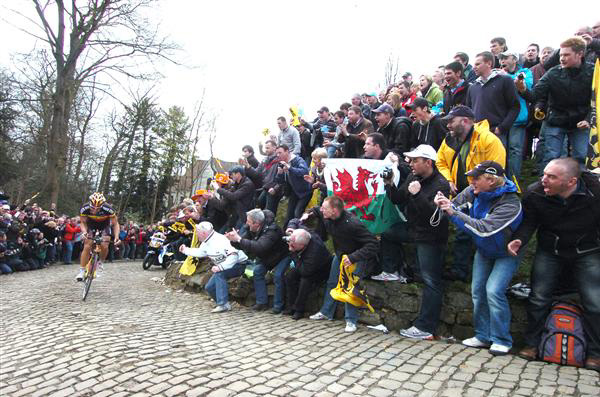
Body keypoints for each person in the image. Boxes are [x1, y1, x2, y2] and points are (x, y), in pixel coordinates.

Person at [507, 158, 600, 371]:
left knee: (595, 301)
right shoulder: (535, 193)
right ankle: (532, 344)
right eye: (544, 174)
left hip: (587, 250)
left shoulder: (595, 192)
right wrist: (519, 239)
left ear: (571, 181)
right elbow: (529, 222)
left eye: (551, 177)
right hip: (550, 250)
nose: (543, 180)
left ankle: (596, 353)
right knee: (538, 297)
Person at [436, 161, 522, 355]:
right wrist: (442, 203)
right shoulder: (473, 190)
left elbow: (484, 229)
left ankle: (501, 339)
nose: (471, 181)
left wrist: (453, 212)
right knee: (478, 291)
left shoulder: (511, 203)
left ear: (491, 180)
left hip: (506, 252)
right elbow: (454, 205)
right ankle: (483, 335)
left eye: (476, 178)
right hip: (484, 250)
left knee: (494, 291)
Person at [380, 145, 450, 340]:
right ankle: (392, 271)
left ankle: (426, 328)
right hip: (413, 230)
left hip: (431, 237)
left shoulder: (441, 184)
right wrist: (389, 184)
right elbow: (397, 198)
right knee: (386, 233)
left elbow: (434, 218)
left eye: (415, 160)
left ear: (428, 162)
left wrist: (418, 195)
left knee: (431, 281)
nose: (410, 163)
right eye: (410, 160)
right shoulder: (413, 177)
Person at [436, 105, 506, 282]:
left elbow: (495, 172)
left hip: (487, 194)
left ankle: (471, 272)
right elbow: (440, 161)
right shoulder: (449, 139)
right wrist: (448, 180)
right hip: (460, 191)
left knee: (476, 229)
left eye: (451, 121)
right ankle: (460, 270)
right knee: (460, 229)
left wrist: (476, 190)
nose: (448, 126)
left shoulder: (488, 140)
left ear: (465, 121)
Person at [305, 196, 379, 333]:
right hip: (340, 255)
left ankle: (351, 320)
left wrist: (353, 257)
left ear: (334, 210)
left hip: (356, 257)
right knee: (332, 282)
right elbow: (317, 210)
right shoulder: (328, 217)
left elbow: (373, 244)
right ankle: (326, 312)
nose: (322, 211)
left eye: (325, 208)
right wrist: (310, 213)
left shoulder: (353, 224)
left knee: (350, 287)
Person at [532, 37, 594, 169]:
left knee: (581, 156)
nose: (562, 58)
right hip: (556, 119)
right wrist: (522, 89)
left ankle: (581, 187)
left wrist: (588, 119)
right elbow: (535, 94)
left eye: (566, 55)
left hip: (581, 121)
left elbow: (597, 100)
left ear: (580, 54)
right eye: (560, 55)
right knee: (552, 157)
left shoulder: (593, 72)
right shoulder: (553, 72)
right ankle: (550, 186)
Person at [226, 209, 291, 313]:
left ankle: (278, 306)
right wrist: (233, 240)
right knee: (257, 272)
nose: (246, 223)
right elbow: (243, 243)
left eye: (249, 221)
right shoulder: (251, 228)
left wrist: (239, 239)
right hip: (267, 257)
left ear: (257, 223)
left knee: (278, 276)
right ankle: (262, 303)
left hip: (283, 256)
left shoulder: (272, 230)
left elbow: (260, 247)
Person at [180, 221, 248, 313]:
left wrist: (221, 267)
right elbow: (201, 252)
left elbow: (234, 256)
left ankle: (222, 304)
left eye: (197, 232)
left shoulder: (220, 240)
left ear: (204, 233)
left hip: (239, 264)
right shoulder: (206, 241)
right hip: (225, 266)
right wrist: (185, 250)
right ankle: (224, 303)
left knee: (220, 273)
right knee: (209, 287)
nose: (196, 234)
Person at [466, 51, 520, 143]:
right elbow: (468, 111)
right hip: (476, 134)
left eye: (478, 64)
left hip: (496, 134)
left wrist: (501, 128)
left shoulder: (505, 80)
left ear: (489, 63)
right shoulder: (472, 87)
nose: (474, 67)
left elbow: (515, 107)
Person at [498, 51, 534, 180]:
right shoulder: (497, 73)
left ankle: (514, 181)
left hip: (518, 118)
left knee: (515, 150)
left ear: (514, 59)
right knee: (500, 150)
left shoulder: (525, 72)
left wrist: (506, 76)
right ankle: (501, 181)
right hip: (501, 119)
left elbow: (526, 87)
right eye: (501, 58)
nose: (502, 60)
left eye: (506, 58)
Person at [284, 228, 332, 320]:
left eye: (293, 244)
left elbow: (305, 272)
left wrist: (293, 253)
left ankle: (299, 310)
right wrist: (292, 229)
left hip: (321, 270)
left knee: (305, 281)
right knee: (290, 276)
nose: (291, 244)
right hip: (305, 264)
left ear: (302, 245)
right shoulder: (308, 235)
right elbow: (301, 225)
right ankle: (291, 306)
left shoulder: (315, 251)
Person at [77, 193, 120, 281]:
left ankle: (100, 262)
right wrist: (84, 232)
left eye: (98, 208)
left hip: (104, 225)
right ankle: (81, 271)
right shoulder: (84, 208)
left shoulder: (108, 209)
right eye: (93, 208)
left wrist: (116, 237)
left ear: (102, 205)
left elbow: (115, 224)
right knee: (87, 245)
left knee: (105, 244)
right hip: (91, 225)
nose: (95, 210)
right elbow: (82, 222)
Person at [274, 144, 311, 227]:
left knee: (297, 213)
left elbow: (304, 172)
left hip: (305, 191)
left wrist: (290, 168)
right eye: (277, 153)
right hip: (294, 192)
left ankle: (300, 233)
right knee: (289, 215)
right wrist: (279, 174)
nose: (278, 155)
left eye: (280, 153)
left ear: (287, 151)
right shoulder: (282, 163)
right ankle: (285, 235)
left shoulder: (298, 160)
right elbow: (280, 181)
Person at [211, 166, 255, 230]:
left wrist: (218, 189)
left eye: (232, 174)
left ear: (238, 174)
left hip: (244, 214)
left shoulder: (247, 184)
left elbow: (234, 196)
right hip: (235, 214)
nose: (231, 176)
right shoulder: (237, 183)